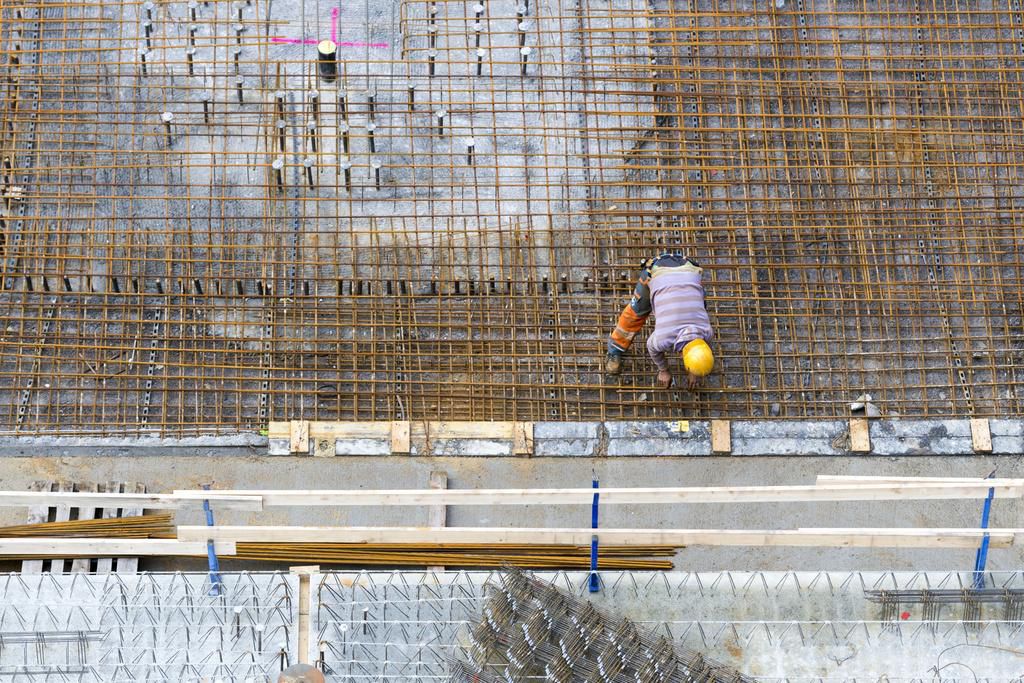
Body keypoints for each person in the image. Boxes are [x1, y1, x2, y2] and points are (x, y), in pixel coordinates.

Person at [605, 252, 714, 389]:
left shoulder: (708, 332)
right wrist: (663, 370)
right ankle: (614, 350)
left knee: (700, 302)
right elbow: (651, 347)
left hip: (689, 268)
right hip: (657, 272)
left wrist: (695, 371)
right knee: (635, 314)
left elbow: (705, 347)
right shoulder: (665, 337)